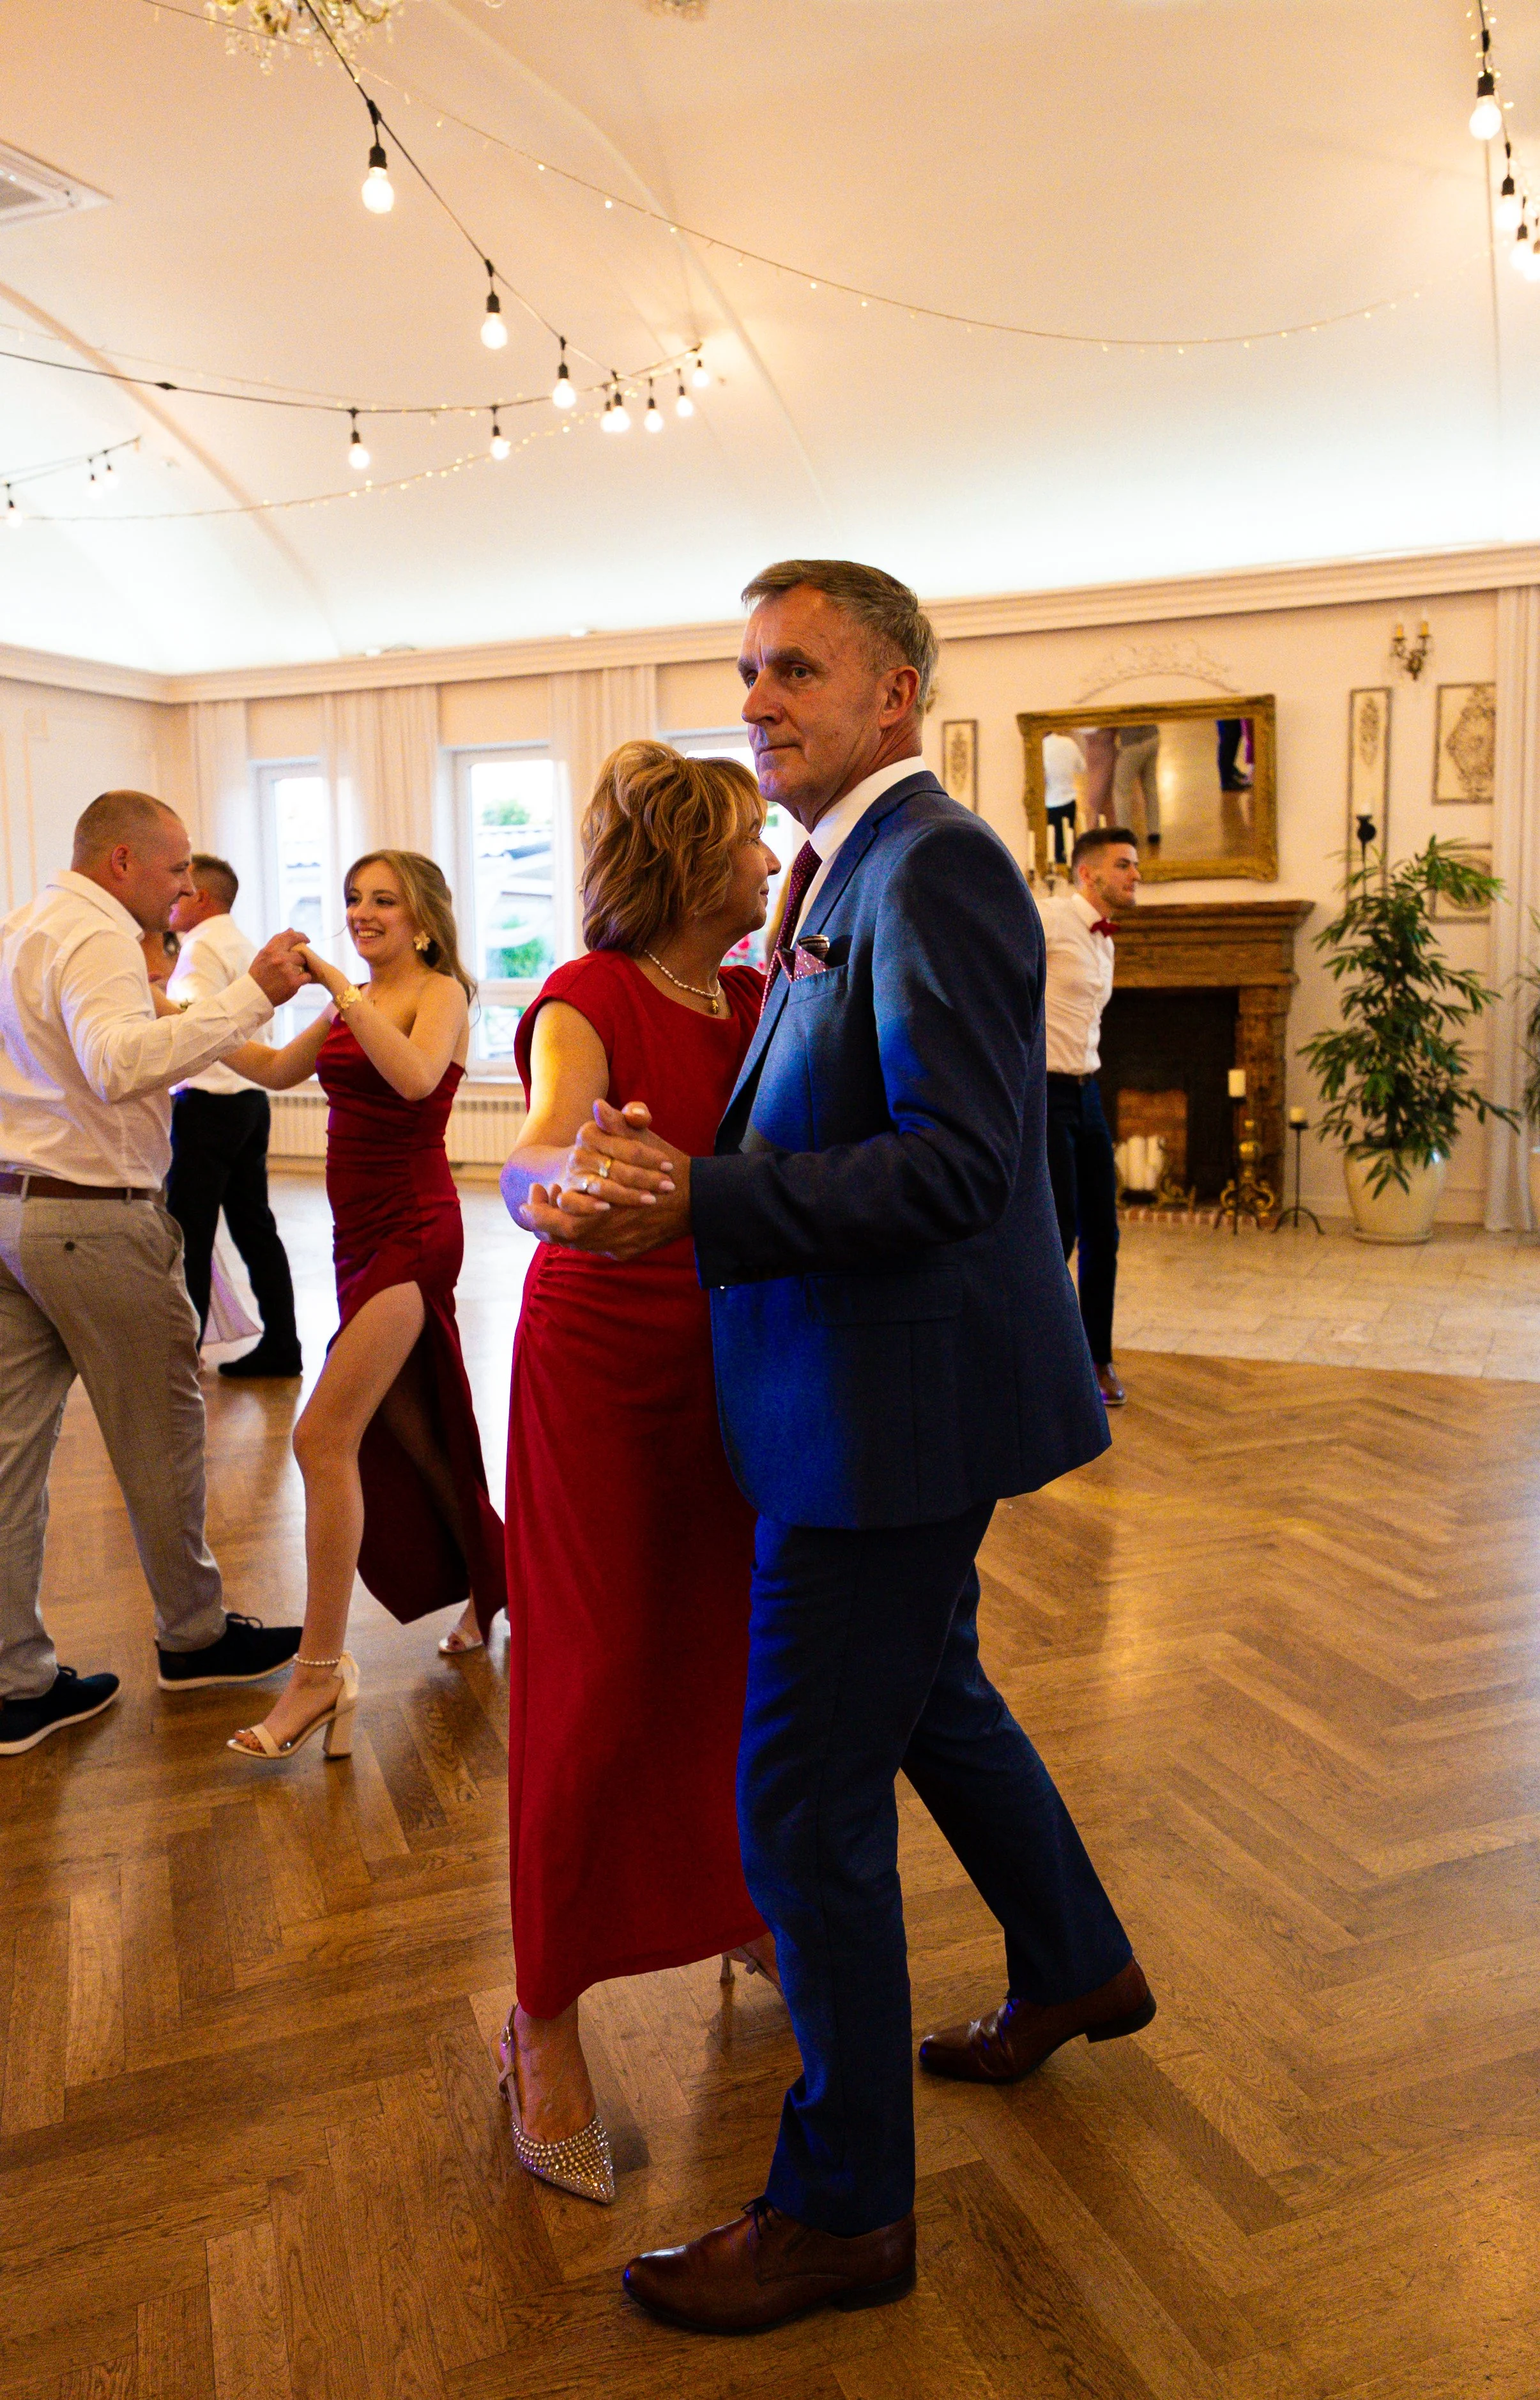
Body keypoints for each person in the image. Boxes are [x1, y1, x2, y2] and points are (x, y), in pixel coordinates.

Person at [523, 562, 1154, 2334]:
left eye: (795, 669)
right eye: (746, 670)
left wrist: (702, 1201)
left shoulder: (928, 861)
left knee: (801, 1805)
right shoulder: (835, 869)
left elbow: (958, 1164)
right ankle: (1075, 1958)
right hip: (868, 1393)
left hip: (885, 1416)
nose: (756, 699)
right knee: (936, 1693)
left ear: (896, 693)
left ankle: (845, 2207)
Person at [494, 741, 781, 2205]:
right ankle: (540, 2017)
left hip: (727, 1364)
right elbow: (536, 1150)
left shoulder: (751, 995)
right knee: (594, 1682)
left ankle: (735, 1902)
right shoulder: (588, 996)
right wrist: (558, 1188)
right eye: (746, 841)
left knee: (724, 1654)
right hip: (600, 1369)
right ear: (687, 862)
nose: (767, 860)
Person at [0, 790, 310, 1757]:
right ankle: (195, 1636)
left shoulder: (26, 923)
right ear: (122, 861)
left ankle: (14, 1685)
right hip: (94, 1217)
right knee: (162, 1436)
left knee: (10, 1458)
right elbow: (117, 1063)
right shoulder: (96, 934)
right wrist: (249, 994)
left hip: (15, 1208)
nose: (185, 889)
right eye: (176, 869)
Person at [219, 849, 505, 1762]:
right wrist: (189, 1025)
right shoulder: (357, 1001)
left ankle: (317, 1674)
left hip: (413, 1230)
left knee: (320, 1437)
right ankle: (495, 1578)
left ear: (422, 919)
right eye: (353, 898)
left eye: (383, 900)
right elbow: (272, 1069)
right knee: (417, 1430)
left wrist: (341, 990)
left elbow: (417, 1078)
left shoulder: (438, 992)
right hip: (355, 1235)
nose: (361, 913)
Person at [165, 853, 303, 1379]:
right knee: (255, 1226)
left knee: (190, 1233)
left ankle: (186, 1354)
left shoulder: (200, 947)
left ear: (202, 898)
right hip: (249, 1100)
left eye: (181, 889)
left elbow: (193, 1024)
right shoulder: (243, 943)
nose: (172, 898)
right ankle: (283, 1342)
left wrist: (153, 1000)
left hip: (208, 1102)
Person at [1038, 826, 1142, 1410]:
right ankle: (1042, 1358)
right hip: (1045, 1093)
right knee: (1059, 1231)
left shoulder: (1105, 940)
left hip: (1087, 1093)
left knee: (1105, 1230)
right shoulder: (1050, 918)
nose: (1135, 876)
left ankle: (1096, 1357)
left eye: (1135, 866)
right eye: (1123, 865)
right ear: (1088, 873)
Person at [1113, 722, 1161, 845]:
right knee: (1150, 786)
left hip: (1132, 743)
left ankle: (1125, 834)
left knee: (1121, 790)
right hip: (1153, 737)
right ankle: (1154, 831)